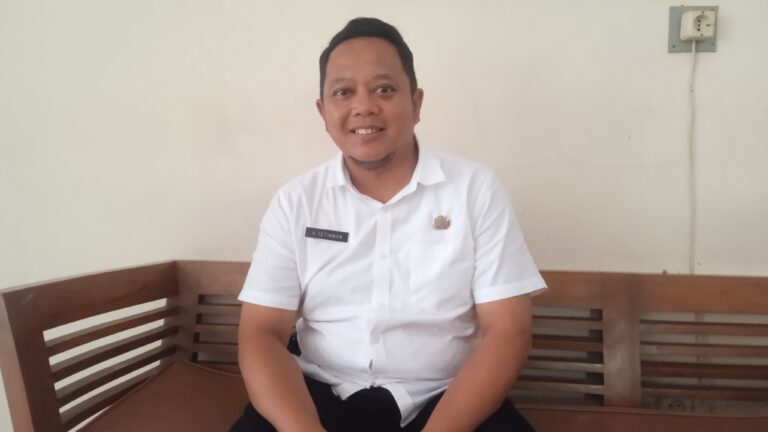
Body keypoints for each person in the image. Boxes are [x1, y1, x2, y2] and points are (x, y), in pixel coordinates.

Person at [231, 17, 546, 432]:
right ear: (323, 111)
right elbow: (261, 333)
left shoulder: (475, 190)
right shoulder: (295, 202)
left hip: (447, 400)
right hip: (316, 396)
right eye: (344, 92)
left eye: (384, 89)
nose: (364, 106)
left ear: (416, 104)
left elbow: (507, 331)